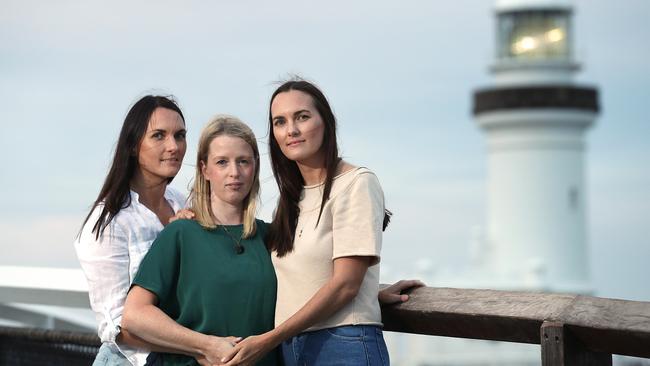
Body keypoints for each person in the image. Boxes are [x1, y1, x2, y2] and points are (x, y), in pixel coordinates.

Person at [221, 80, 399, 366]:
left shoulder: (356, 183)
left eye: (301, 117)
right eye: (280, 122)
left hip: (343, 345)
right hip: (294, 348)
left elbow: (344, 285)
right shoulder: (291, 199)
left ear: (325, 122)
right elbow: (306, 278)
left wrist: (269, 339)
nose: (291, 129)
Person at [121, 115, 280, 366]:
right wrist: (207, 346)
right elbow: (134, 315)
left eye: (243, 161)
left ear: (255, 167)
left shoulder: (271, 237)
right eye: (222, 162)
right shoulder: (181, 233)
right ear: (205, 169)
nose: (234, 172)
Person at [74, 95, 189, 365]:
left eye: (180, 135)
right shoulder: (108, 220)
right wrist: (200, 343)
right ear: (134, 146)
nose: (173, 146)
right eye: (159, 136)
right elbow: (118, 328)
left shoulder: (183, 202)